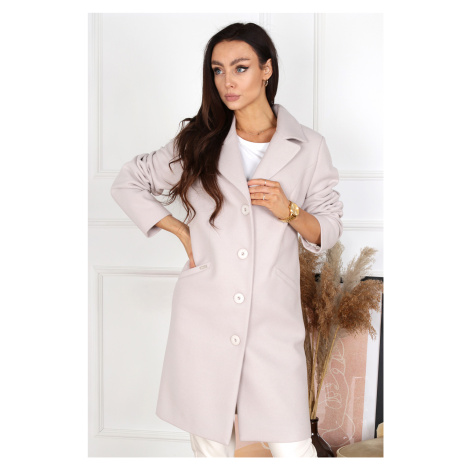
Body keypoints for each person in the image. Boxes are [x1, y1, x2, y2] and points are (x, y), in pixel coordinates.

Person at [110, 22, 343, 458]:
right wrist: (180, 230)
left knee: (294, 451)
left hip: (272, 321)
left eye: (240, 68)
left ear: (267, 70)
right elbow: (128, 182)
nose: (227, 81)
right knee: (212, 451)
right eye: (218, 70)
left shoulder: (309, 146)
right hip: (205, 315)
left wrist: (289, 210)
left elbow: (328, 228)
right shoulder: (199, 142)